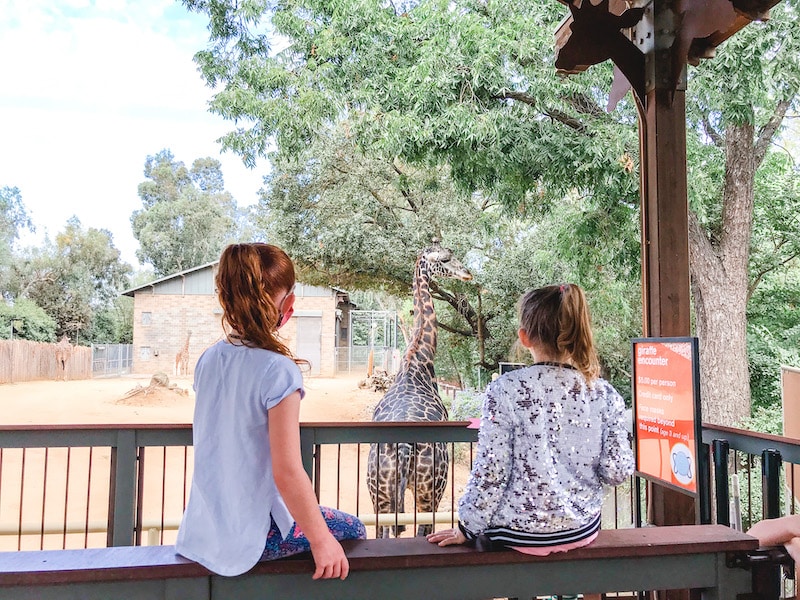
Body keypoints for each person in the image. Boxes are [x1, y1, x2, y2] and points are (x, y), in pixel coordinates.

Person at [176, 243, 365, 578]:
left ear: (227, 299)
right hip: (253, 537)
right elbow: (287, 471)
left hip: (202, 532)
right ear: (288, 304)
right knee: (354, 531)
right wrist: (321, 540)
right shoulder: (278, 371)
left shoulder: (208, 360)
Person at [428, 283, 634, 556]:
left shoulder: (505, 390)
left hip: (516, 536)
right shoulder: (605, 394)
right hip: (581, 530)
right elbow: (617, 472)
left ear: (524, 337)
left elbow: (492, 471)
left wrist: (467, 527)